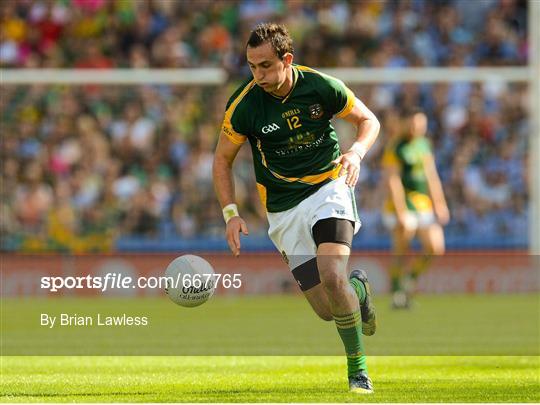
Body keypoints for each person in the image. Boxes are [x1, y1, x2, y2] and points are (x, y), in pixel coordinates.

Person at [213, 23, 380, 393]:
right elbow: (222, 161)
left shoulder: (322, 86)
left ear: (287, 60)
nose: (258, 76)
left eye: (266, 66)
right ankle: (360, 291)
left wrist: (356, 151)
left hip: (329, 188)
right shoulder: (244, 105)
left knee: (332, 274)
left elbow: (369, 120)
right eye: (252, 67)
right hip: (284, 209)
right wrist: (230, 213)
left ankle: (358, 372)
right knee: (326, 308)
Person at [382, 108, 450, 309]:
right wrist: (401, 211)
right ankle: (396, 293)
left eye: (420, 124)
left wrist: (440, 203)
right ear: (403, 124)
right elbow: (393, 180)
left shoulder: (423, 145)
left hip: (423, 204)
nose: (416, 128)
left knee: (435, 248)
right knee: (401, 248)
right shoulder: (396, 147)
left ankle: (407, 282)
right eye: (412, 123)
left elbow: (431, 175)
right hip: (402, 205)